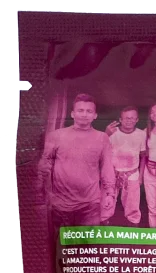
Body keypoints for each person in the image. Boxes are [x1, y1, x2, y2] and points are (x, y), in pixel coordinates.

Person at [36, 93, 115, 238]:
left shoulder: (102, 138)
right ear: (72, 114)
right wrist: (40, 191)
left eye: (89, 111)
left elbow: (107, 168)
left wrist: (110, 194)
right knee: (62, 247)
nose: (84, 114)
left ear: (95, 116)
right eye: (80, 110)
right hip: (60, 205)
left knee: (88, 247)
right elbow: (44, 165)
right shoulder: (56, 136)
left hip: (90, 205)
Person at [105, 106, 147, 226]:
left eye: (132, 118)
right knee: (107, 204)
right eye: (126, 118)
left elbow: (143, 156)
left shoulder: (141, 134)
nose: (129, 120)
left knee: (133, 208)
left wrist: (140, 177)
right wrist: (106, 134)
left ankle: (133, 229)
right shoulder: (112, 132)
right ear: (120, 119)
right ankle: (104, 227)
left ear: (137, 119)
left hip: (132, 174)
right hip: (112, 174)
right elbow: (101, 150)